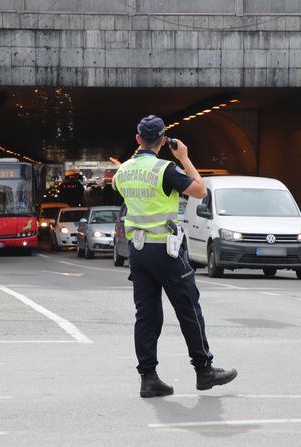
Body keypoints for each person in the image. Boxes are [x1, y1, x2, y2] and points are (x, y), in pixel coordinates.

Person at [113, 115, 237, 398]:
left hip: (138, 251)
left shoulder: (124, 171)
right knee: (188, 309)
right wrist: (184, 157)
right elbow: (199, 190)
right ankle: (204, 370)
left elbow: (118, 188)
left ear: (137, 139)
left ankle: (149, 378)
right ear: (164, 140)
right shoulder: (165, 169)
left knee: (147, 315)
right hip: (165, 251)